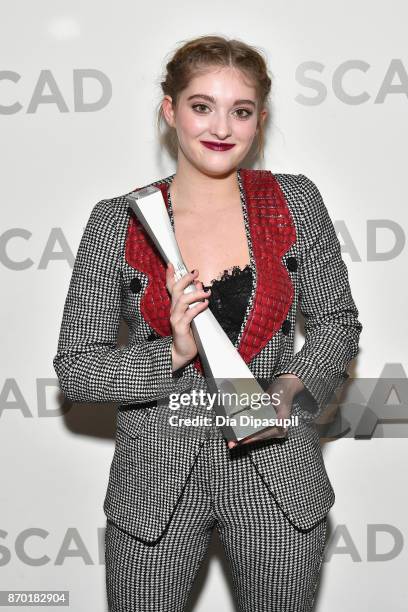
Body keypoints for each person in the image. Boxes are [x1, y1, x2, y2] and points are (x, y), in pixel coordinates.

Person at [53, 35, 363, 611]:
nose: (221, 127)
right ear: (170, 111)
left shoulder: (291, 203)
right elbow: (75, 369)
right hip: (155, 485)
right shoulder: (119, 220)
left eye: (239, 111)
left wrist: (291, 391)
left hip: (274, 474)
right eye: (201, 106)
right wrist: (168, 352)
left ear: (259, 121)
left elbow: (336, 324)